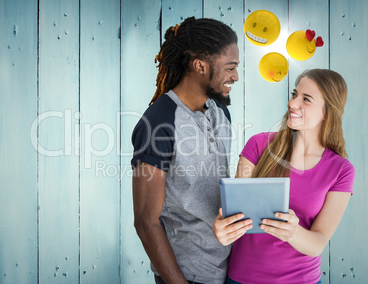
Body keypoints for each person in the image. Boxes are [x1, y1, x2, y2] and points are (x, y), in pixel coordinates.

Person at [213, 69, 355, 284]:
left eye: (306, 99)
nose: (292, 103)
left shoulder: (341, 170)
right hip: (243, 277)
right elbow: (235, 209)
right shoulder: (259, 144)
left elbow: (318, 243)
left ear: (327, 113)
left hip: (301, 279)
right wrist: (224, 229)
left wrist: (293, 232)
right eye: (294, 94)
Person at [131, 17, 245, 284]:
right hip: (186, 276)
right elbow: (146, 223)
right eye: (230, 68)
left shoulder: (220, 111)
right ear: (200, 66)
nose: (236, 76)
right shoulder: (159, 122)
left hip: (227, 270)